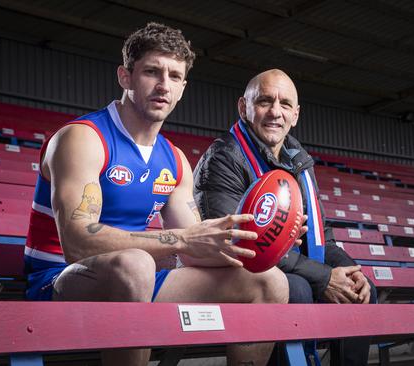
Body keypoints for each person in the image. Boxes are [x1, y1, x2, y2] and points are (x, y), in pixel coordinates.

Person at [23, 23, 289, 366]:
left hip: (140, 279)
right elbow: (78, 244)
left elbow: (196, 250)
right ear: (125, 76)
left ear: (183, 88)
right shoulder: (83, 138)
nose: (164, 85)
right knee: (136, 264)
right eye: (152, 71)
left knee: (270, 282)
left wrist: (268, 240)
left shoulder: (175, 160)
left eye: (175, 76)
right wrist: (182, 239)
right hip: (58, 280)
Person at [193, 69, 377, 365]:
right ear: (244, 107)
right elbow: (237, 244)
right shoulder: (224, 158)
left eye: (285, 104)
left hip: (289, 268)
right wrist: (324, 277)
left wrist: (349, 270)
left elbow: (322, 237)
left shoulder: (300, 163)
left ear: (296, 115)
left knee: (362, 288)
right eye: (265, 101)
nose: (275, 112)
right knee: (297, 289)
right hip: (237, 274)